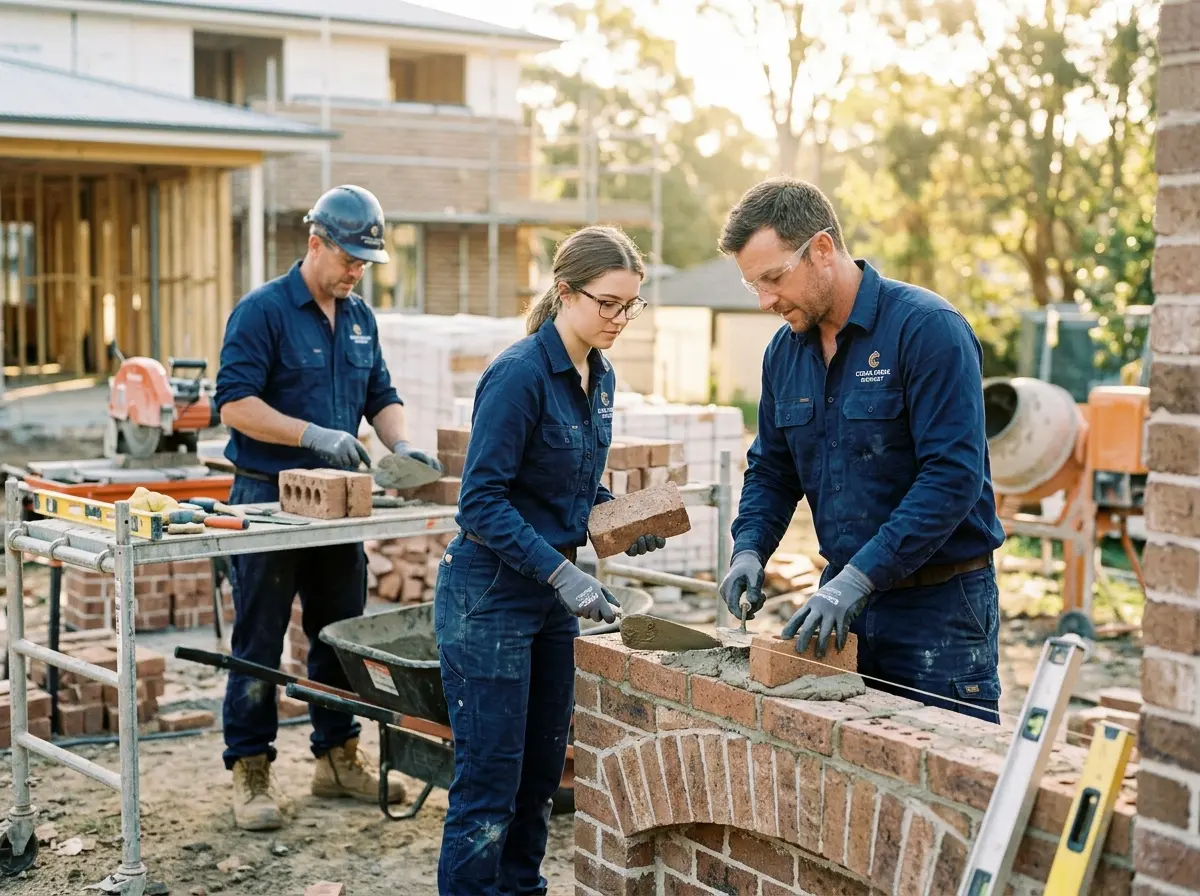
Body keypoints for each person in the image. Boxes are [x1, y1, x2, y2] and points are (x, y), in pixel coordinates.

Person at [716, 177, 1006, 724]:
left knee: (947, 783)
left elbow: (952, 477)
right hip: (840, 609)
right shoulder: (784, 352)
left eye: (774, 278)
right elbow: (773, 470)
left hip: (939, 611)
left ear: (822, 249)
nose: (765, 301)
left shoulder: (927, 330)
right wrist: (749, 548)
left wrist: (859, 578)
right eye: (753, 285)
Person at [433, 224, 668, 894]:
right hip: (490, 596)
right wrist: (564, 571)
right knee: (488, 785)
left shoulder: (600, 374)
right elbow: (480, 502)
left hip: (549, 601)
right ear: (565, 292)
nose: (621, 318)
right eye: (608, 303)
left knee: (539, 780)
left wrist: (619, 519)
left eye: (632, 305)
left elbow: (570, 481)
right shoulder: (519, 376)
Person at [214, 184, 442, 831]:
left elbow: (382, 393)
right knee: (258, 639)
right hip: (267, 498)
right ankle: (250, 767)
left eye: (366, 263)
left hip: (337, 506)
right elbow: (232, 402)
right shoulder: (262, 311)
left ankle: (337, 757)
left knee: (340, 633)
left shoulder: (361, 317)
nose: (356, 272)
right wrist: (309, 435)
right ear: (315, 243)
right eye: (349, 259)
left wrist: (404, 444)